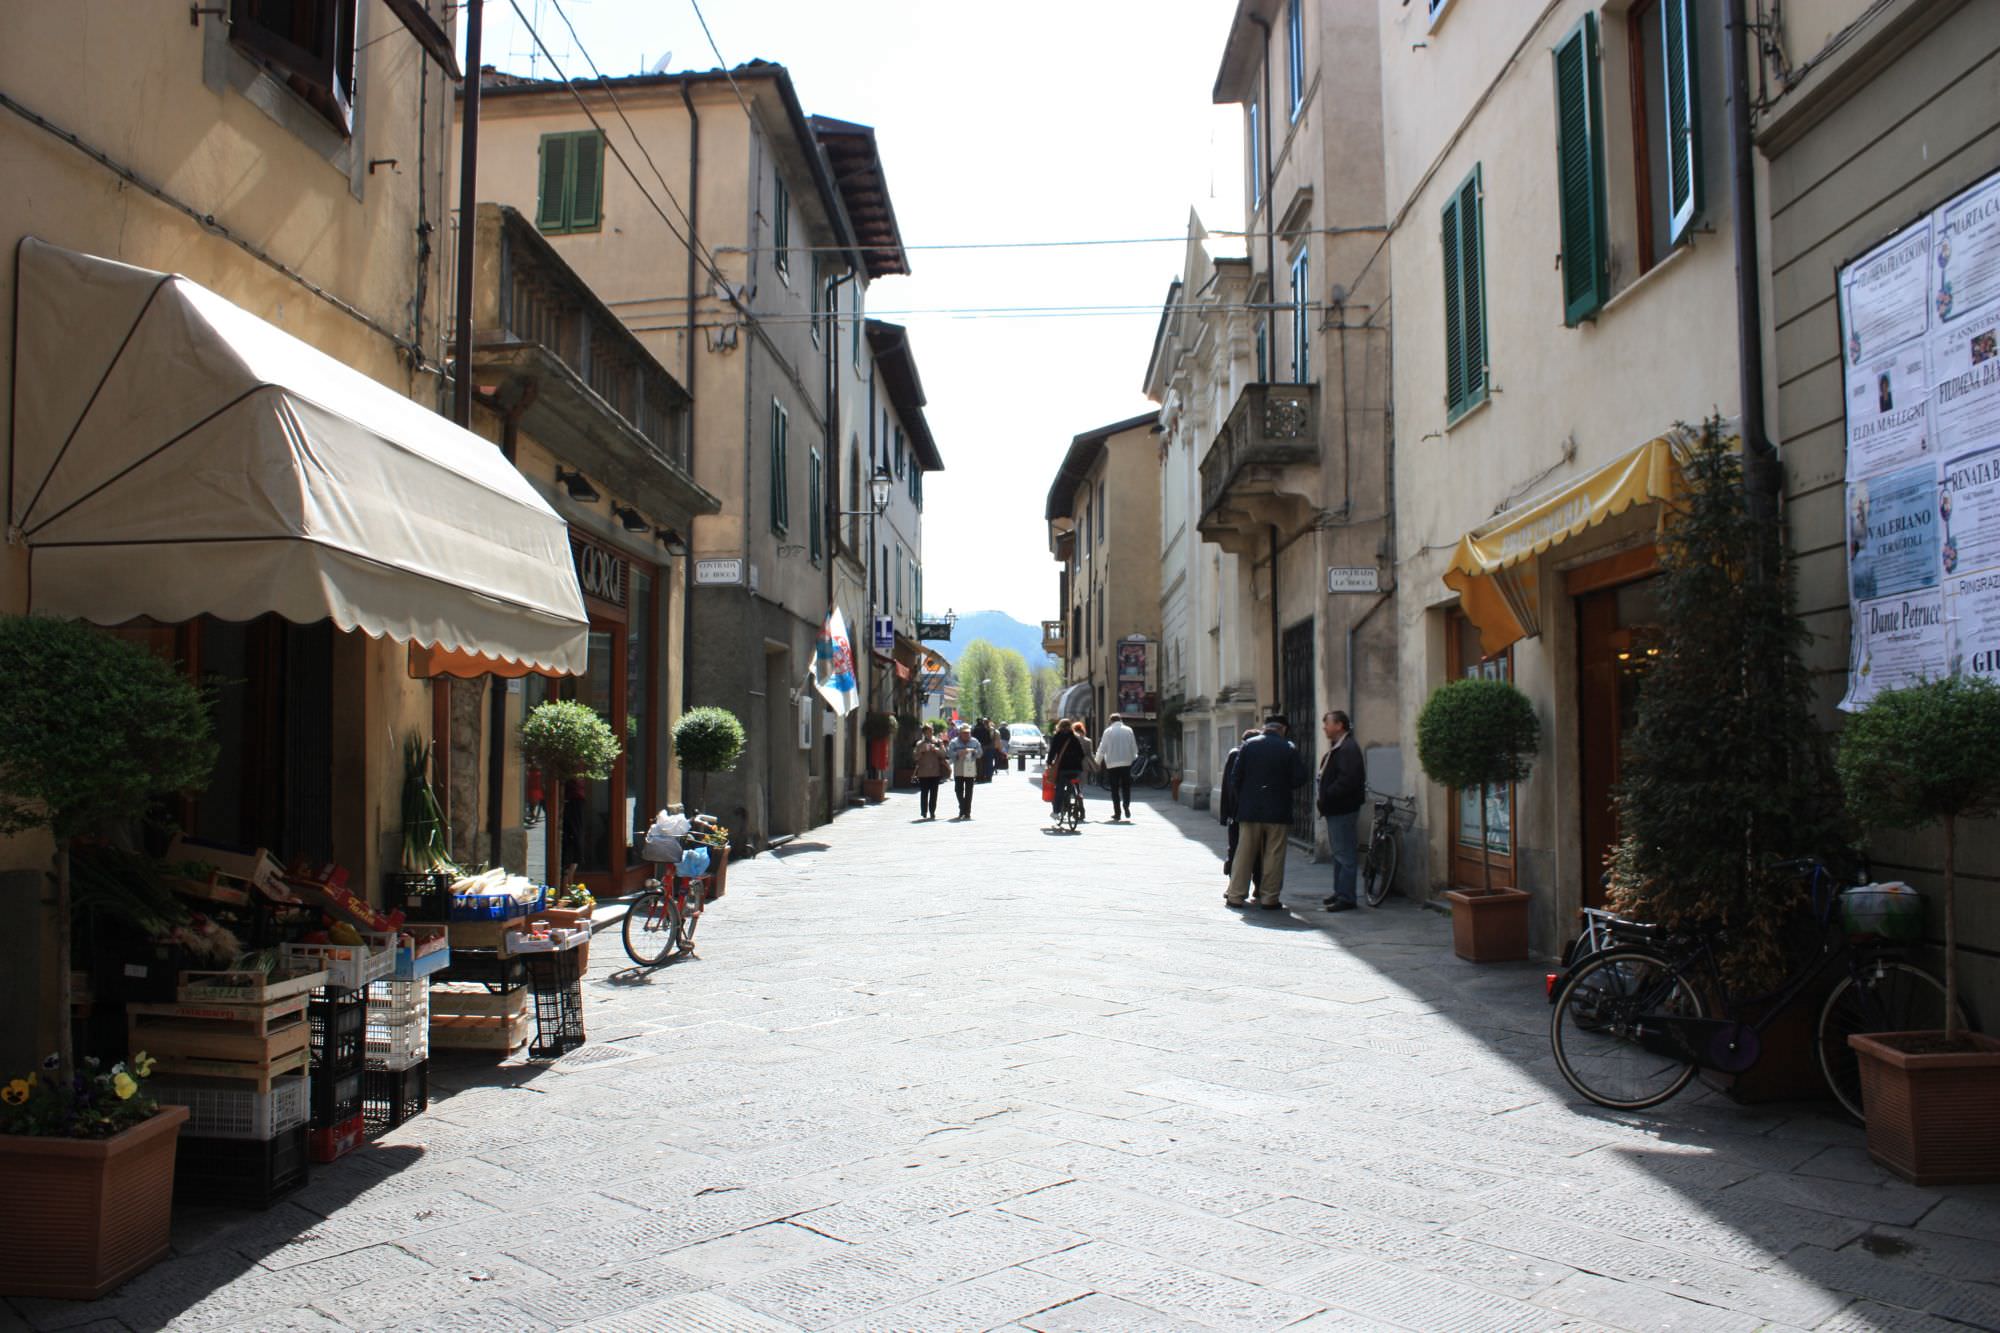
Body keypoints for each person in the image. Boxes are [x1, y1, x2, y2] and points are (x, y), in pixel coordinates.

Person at [1224, 712, 1309, 910]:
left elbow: (1235, 777)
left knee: (1244, 853)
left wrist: (1246, 796)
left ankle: (1236, 895)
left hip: (1250, 810)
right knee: (1274, 854)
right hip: (1278, 809)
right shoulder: (1288, 748)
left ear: (1265, 727)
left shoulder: (1249, 745)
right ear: (1283, 729)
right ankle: (1269, 897)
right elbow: (1300, 778)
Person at [1317, 710, 1367, 911]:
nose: (1324, 727)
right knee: (1339, 852)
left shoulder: (1348, 748)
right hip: (1336, 808)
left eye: (1327, 723)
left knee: (1345, 853)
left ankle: (1346, 897)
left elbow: (1348, 780)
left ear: (1339, 725)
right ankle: (1340, 892)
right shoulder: (1340, 747)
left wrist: (1329, 794)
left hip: (1342, 808)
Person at [1218, 728, 1263, 892]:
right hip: (1253, 812)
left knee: (1236, 849)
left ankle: (1234, 886)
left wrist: (1226, 814)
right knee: (1258, 851)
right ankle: (1258, 885)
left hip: (1237, 813)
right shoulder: (1255, 756)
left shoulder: (1235, 754)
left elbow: (1228, 787)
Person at [1096, 713, 1138, 821]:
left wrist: (1097, 762)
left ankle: (1117, 812)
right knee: (1126, 787)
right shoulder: (1128, 730)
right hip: (1126, 763)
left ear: (1111, 721)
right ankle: (1126, 805)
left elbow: (1102, 748)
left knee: (1114, 789)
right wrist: (1133, 757)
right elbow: (1133, 746)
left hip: (1112, 764)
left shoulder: (1108, 731)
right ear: (1120, 720)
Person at [1046, 718, 1089, 820]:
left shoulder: (1057, 737)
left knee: (1060, 789)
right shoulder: (1074, 737)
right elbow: (1082, 754)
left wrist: (1049, 762)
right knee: (1071, 785)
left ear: (1059, 726)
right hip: (1076, 769)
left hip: (1063, 768)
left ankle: (1056, 811)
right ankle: (1074, 798)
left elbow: (1052, 751)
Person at [912, 724, 949, 821]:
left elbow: (944, 754)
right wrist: (921, 751)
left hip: (935, 771)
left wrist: (936, 750)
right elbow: (915, 757)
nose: (930, 733)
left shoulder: (938, 741)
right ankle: (924, 811)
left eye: (931, 731)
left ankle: (932, 811)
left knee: (934, 793)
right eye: (927, 731)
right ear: (924, 733)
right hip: (923, 772)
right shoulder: (919, 743)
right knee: (924, 792)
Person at [946, 722, 983, 819]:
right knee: (958, 790)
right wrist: (959, 753)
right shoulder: (954, 742)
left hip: (970, 768)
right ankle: (962, 807)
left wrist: (973, 751)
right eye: (964, 733)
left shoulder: (974, 742)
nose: (966, 734)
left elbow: (980, 753)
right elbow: (949, 753)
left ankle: (967, 812)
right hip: (958, 768)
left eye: (968, 733)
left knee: (969, 791)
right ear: (960, 733)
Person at [971, 718, 995, 784]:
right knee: (985, 762)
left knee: (978, 763)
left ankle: (979, 777)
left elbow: (972, 738)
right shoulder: (986, 729)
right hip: (985, 747)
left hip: (977, 747)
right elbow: (989, 739)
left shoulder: (974, 729)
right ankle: (985, 776)